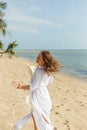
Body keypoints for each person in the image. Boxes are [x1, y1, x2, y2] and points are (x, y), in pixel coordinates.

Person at [12, 50, 62, 130]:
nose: (37, 58)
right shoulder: (48, 71)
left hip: (38, 98)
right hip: (45, 98)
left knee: (37, 121)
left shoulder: (39, 71)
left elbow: (32, 87)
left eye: (39, 57)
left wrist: (19, 86)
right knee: (41, 121)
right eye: (37, 56)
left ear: (44, 60)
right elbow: (48, 83)